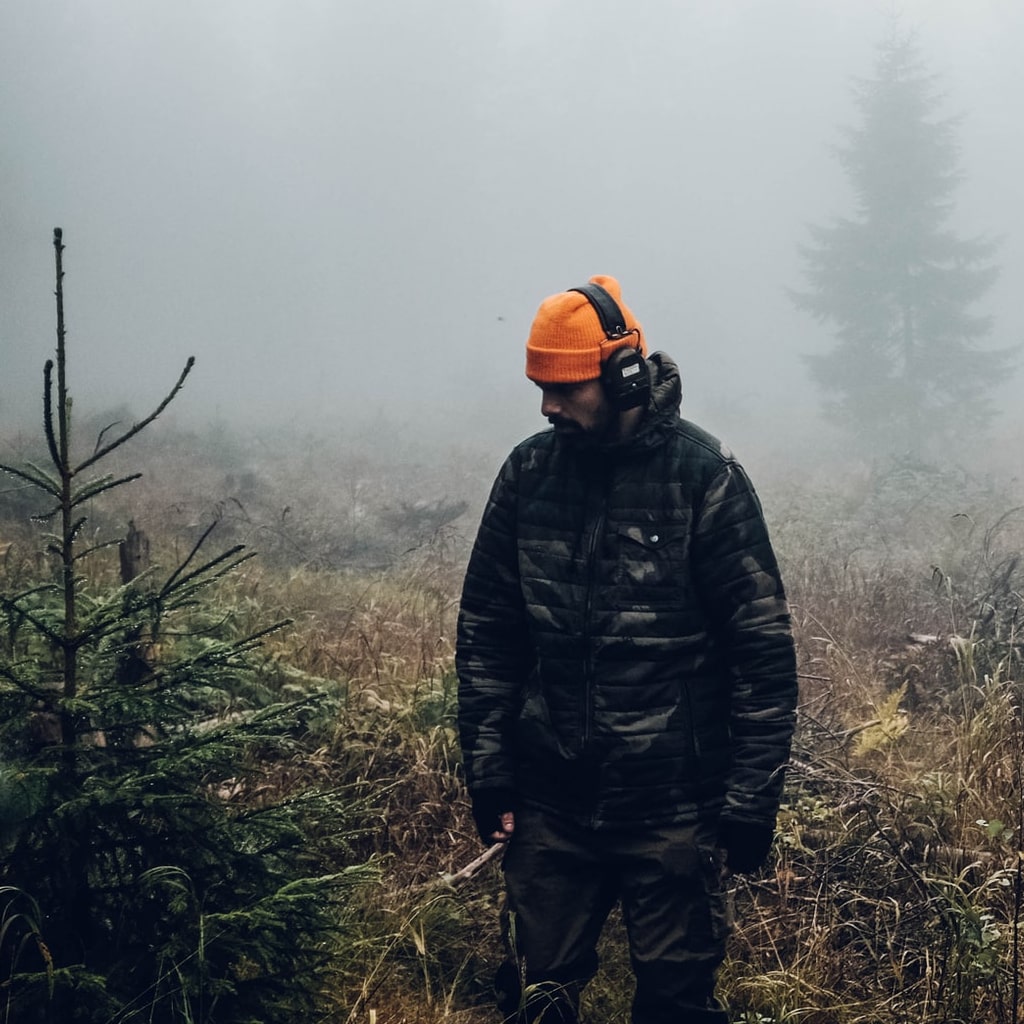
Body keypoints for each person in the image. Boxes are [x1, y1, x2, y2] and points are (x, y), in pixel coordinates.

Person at [455, 275, 798, 1024]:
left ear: (623, 376)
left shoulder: (706, 480)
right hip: (550, 803)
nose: (547, 406)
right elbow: (488, 633)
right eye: (539, 386)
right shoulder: (528, 474)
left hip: (675, 807)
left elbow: (763, 657)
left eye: (563, 387)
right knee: (537, 1001)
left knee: (676, 1006)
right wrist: (490, 772)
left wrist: (749, 803)